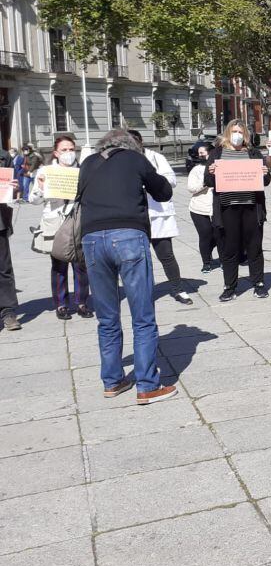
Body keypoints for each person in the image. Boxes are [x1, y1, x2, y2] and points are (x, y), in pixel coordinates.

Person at [79, 129, 176, 404]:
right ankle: (147, 385)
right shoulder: (135, 160)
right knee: (142, 315)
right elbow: (165, 192)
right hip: (128, 236)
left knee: (106, 317)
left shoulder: (88, 163)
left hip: (92, 239)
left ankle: (112, 381)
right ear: (131, 146)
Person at [205, 120, 271, 301]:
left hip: (251, 206)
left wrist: (265, 173)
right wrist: (211, 172)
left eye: (240, 131)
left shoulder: (254, 153)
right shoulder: (217, 154)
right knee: (229, 248)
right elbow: (209, 182)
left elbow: (265, 182)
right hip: (228, 208)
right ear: (228, 133)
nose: (237, 135)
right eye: (234, 131)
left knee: (254, 247)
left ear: (246, 135)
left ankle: (258, 284)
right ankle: (230, 287)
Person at [29, 134, 93, 320]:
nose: (68, 153)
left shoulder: (83, 170)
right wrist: (41, 187)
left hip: (78, 220)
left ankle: (81, 301)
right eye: (64, 150)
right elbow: (33, 199)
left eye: (71, 149)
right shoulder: (46, 171)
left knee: (81, 264)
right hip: (55, 221)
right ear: (56, 153)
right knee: (58, 264)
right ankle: (61, 304)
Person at [128, 130, 192, 306]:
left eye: (134, 141)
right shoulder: (122, 161)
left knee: (166, 255)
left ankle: (178, 289)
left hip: (157, 215)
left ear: (141, 142)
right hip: (133, 216)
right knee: (137, 258)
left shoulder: (155, 157)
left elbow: (171, 180)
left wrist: (151, 180)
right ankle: (142, 294)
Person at [186, 143, 218, 272]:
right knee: (205, 234)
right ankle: (206, 262)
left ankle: (217, 257)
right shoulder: (196, 170)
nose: (200, 155)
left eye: (202, 152)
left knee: (218, 235)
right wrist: (206, 181)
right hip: (199, 208)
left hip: (216, 207)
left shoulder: (220, 167)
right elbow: (191, 188)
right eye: (199, 153)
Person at [0, 148, 20, 330]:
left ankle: (8, 312)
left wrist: (14, 188)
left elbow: (12, 191)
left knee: (3, 268)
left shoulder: (3, 156)